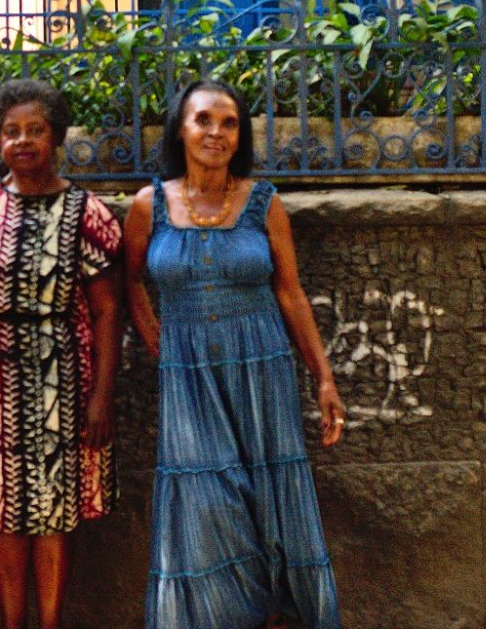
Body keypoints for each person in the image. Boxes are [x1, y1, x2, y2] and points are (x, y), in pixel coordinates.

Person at [123, 79, 346, 629]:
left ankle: (276, 617)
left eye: (228, 124)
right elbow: (128, 281)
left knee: (268, 502)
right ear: (181, 127)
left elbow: (290, 293)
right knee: (210, 505)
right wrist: (154, 328)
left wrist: (323, 377)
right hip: (189, 376)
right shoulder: (148, 205)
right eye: (203, 120)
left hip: (261, 365)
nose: (215, 133)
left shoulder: (263, 202)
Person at [0, 79, 123, 629]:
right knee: (0, 508)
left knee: (53, 509)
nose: (23, 141)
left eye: (35, 130)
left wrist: (101, 397)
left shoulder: (86, 212)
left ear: (57, 136)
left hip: (61, 374)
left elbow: (109, 311)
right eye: (11, 131)